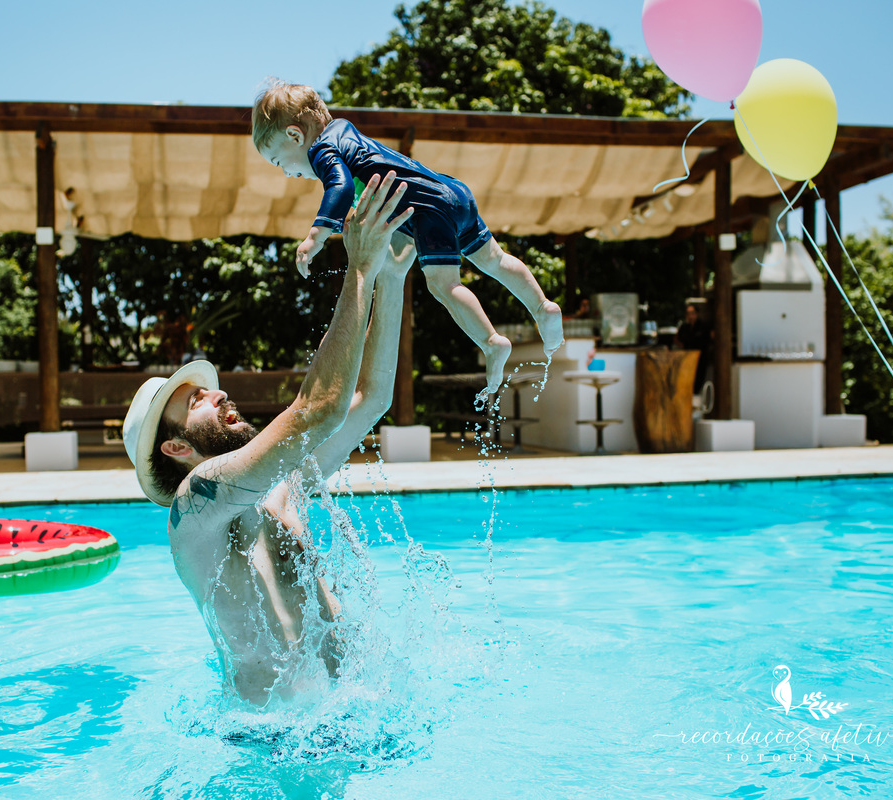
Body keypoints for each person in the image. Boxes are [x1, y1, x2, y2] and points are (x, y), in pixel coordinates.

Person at [121, 173, 416, 706]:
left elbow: (371, 399)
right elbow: (316, 411)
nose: (217, 394)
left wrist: (390, 281)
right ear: (175, 447)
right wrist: (358, 268)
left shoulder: (282, 483)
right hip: (268, 748)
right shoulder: (196, 511)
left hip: (351, 724)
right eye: (195, 402)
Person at [251, 80, 564, 400]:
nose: (287, 172)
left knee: (443, 284)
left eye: (280, 162)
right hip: (454, 192)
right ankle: (543, 307)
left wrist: (315, 237)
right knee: (494, 260)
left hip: (429, 211)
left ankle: (491, 342)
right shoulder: (345, 129)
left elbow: (341, 187)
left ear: (295, 135)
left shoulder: (322, 149)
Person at [674, 302, 712, 390]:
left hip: (700, 359)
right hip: (687, 358)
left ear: (697, 314)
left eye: (692, 313)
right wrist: (682, 346)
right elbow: (676, 339)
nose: (690, 316)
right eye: (688, 313)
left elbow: (708, 339)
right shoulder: (684, 327)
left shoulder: (703, 326)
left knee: (698, 383)